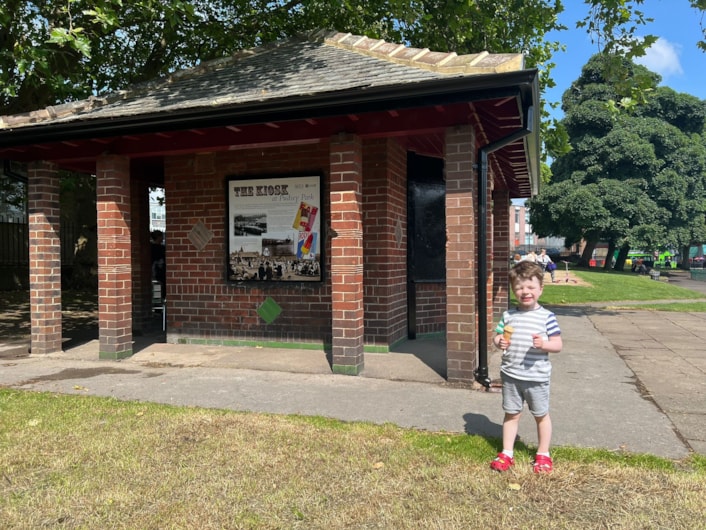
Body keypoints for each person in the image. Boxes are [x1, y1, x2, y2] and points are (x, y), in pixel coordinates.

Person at [490, 261, 563, 474]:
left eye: (531, 287)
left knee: (541, 414)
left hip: (536, 376)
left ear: (540, 289)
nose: (525, 292)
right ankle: (507, 452)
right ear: (513, 290)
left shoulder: (547, 317)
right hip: (511, 374)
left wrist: (544, 344)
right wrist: (499, 342)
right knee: (511, 414)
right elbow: (497, 336)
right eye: (520, 287)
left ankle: (543, 454)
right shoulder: (508, 315)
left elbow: (558, 344)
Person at [150, 230, 166, 299]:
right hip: (159, 271)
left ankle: (157, 302)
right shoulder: (161, 248)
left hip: (154, 271)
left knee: (157, 288)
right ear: (158, 237)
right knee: (161, 288)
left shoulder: (150, 247)